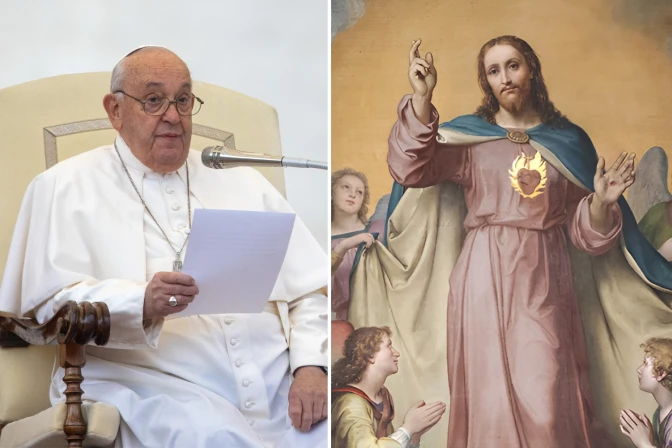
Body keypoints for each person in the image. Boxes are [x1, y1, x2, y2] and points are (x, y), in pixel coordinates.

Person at [347, 35, 672, 448]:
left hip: (544, 273)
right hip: (481, 273)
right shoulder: (473, 139)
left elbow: (587, 238)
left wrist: (602, 204)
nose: (505, 77)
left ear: (531, 68)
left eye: (513, 65)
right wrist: (422, 98)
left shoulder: (568, 141)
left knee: (547, 390)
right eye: (494, 71)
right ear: (487, 82)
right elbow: (411, 167)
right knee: (489, 398)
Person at [0, 46, 328, 448]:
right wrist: (141, 302)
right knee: (215, 438)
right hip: (151, 386)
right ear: (115, 110)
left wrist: (312, 366)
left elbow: (310, 290)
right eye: (154, 100)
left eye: (184, 100)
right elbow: (48, 304)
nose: (173, 115)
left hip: (281, 387)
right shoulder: (63, 187)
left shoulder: (246, 183)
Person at [331, 326, 446, 447]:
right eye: (389, 347)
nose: (397, 353)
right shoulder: (351, 404)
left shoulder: (382, 396)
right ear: (370, 355)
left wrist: (413, 437)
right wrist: (408, 429)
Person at [331, 168, 383, 320]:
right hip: (339, 321)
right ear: (332, 193)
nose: (353, 194)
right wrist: (344, 246)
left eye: (359, 192)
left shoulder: (376, 231)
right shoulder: (321, 238)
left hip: (374, 316)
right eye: (346, 187)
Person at [620, 338, 672, 448]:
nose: (639, 370)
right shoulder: (658, 414)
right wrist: (650, 440)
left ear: (661, 373)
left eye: (645, 364)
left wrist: (645, 444)